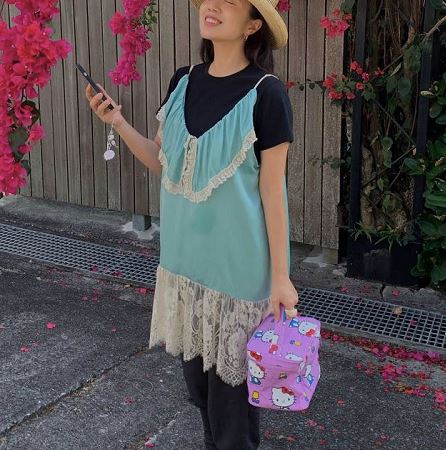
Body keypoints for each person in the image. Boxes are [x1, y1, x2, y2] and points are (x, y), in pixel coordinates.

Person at [85, 1, 299, 448]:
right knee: (203, 402)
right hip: (185, 272)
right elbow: (166, 163)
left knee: (232, 420)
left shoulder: (267, 94)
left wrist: (281, 277)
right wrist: (117, 122)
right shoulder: (183, 81)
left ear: (253, 24)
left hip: (238, 279)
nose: (212, 6)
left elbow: (273, 192)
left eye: (230, 1)